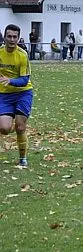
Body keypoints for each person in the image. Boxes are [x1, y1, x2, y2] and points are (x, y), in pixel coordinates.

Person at [0, 24, 34, 168]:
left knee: (20, 128)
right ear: (5, 37)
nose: (12, 39)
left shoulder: (22, 55)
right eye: (9, 36)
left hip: (23, 93)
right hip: (4, 95)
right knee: (4, 129)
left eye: (15, 37)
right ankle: (12, 122)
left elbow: (25, 80)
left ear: (18, 38)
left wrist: (10, 80)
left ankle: (22, 159)